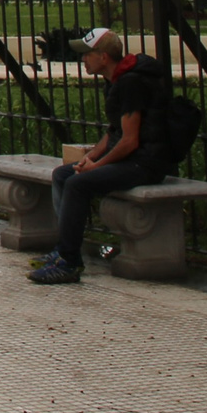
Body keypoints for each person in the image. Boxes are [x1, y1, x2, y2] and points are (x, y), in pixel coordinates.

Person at [31, 28, 177, 285]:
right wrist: (89, 159)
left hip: (146, 162)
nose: (82, 60)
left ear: (104, 57)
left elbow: (130, 141)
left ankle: (69, 261)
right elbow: (114, 133)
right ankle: (62, 247)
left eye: (87, 55)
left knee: (78, 184)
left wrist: (97, 166)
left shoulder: (131, 83)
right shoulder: (116, 81)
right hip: (132, 158)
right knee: (64, 174)